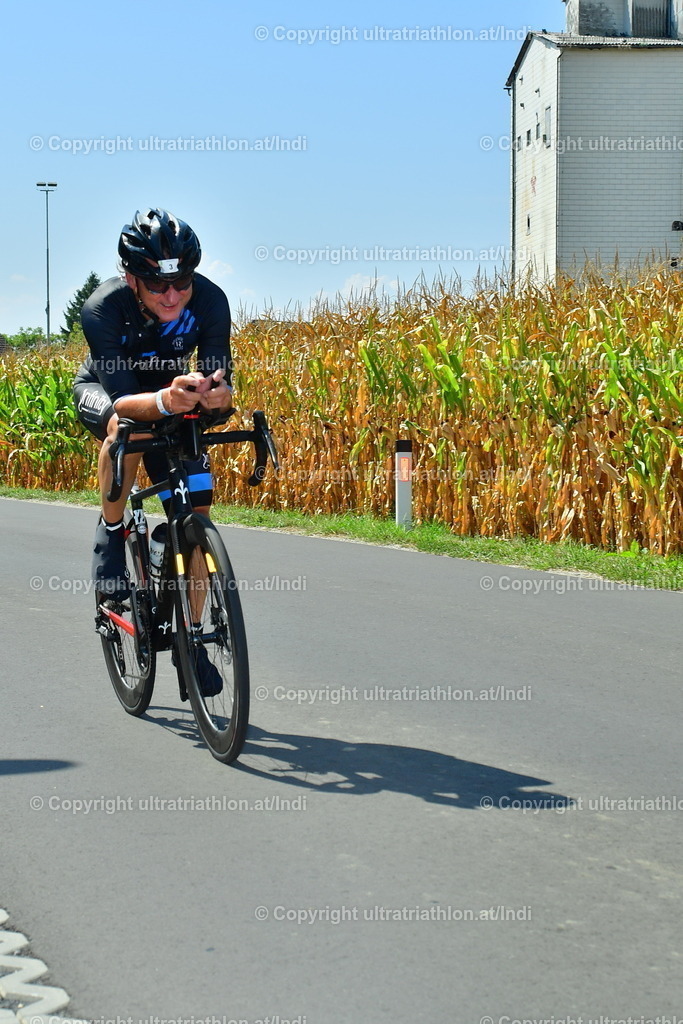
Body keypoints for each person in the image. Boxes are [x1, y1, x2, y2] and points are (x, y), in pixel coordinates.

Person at [73, 208, 234, 693]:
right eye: (157, 285)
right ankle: (112, 529)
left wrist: (218, 400)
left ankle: (191, 640)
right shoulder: (103, 307)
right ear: (131, 278)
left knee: (198, 515)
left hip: (172, 394)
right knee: (128, 430)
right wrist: (166, 399)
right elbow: (122, 397)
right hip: (110, 391)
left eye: (181, 283)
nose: (172, 295)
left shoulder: (210, 300)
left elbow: (217, 376)